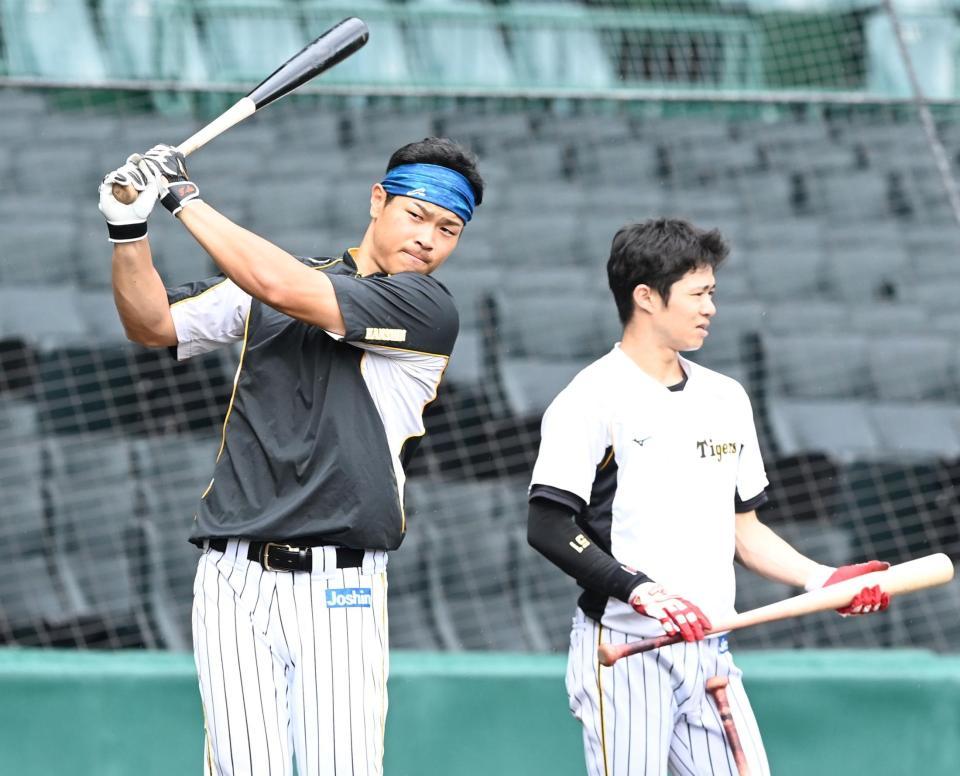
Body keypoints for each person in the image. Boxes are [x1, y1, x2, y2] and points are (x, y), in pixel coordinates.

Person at [97, 137, 484, 776]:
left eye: (449, 228)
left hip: (343, 585)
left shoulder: (427, 307)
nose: (429, 239)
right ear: (377, 200)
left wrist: (181, 196)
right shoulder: (271, 285)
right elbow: (153, 326)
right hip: (232, 577)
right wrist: (128, 227)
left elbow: (279, 282)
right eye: (416, 215)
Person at [526, 218, 889, 776]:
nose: (710, 308)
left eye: (711, 293)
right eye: (698, 294)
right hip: (625, 655)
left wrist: (825, 581)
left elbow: (744, 530)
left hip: (712, 653)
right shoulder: (590, 398)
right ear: (645, 297)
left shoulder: (726, 397)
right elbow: (548, 525)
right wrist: (641, 592)